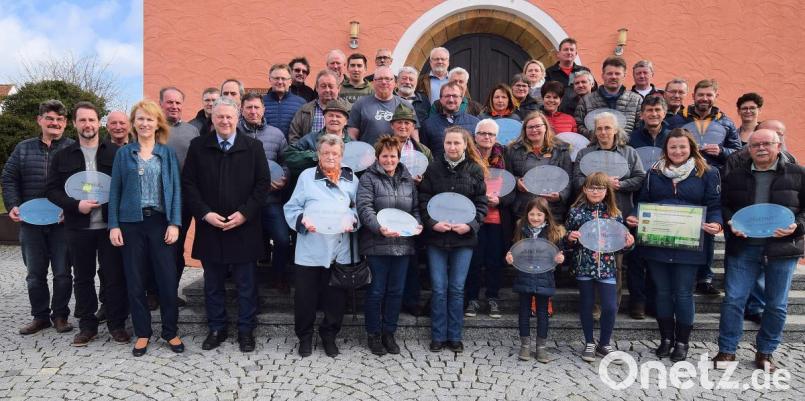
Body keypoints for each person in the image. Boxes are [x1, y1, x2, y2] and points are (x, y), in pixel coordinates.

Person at [626, 128, 723, 361]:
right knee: (662, 292)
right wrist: (634, 216)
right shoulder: (654, 173)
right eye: (673, 147)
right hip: (657, 242)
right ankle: (666, 338)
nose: (677, 151)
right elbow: (643, 202)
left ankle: (682, 342)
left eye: (682, 146)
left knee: (682, 293)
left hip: (689, 244)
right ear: (666, 149)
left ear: (690, 148)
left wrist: (716, 224)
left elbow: (715, 205)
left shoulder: (707, 172)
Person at [713, 128, 805, 373]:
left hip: (782, 249)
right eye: (755, 145)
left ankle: (765, 352)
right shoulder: (735, 175)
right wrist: (732, 224)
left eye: (767, 143)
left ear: (778, 146)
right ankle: (727, 349)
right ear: (748, 149)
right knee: (733, 299)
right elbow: (724, 206)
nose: (761, 148)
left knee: (776, 304)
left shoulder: (798, 174)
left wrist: (798, 227)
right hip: (744, 247)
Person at [183, 98, 270, 353]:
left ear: (237, 117)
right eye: (220, 117)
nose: (224, 121)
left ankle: (246, 330)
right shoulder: (198, 146)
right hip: (210, 226)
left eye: (229, 117)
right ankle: (217, 328)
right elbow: (189, 184)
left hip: (244, 227)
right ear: (212, 118)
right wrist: (204, 214)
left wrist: (244, 214)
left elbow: (262, 184)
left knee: (246, 284)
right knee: (213, 284)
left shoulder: (253, 147)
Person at [46, 101, 129, 346]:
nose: (88, 124)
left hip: (109, 227)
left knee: (114, 276)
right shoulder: (63, 156)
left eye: (92, 120)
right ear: (74, 124)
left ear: (98, 122)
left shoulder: (115, 154)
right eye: (82, 120)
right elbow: (51, 189)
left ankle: (116, 325)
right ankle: (87, 326)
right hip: (77, 227)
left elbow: (125, 188)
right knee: (82, 277)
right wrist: (74, 205)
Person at [108, 99, 183, 357]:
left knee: (166, 278)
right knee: (135, 279)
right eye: (140, 118)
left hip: (160, 222)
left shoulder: (167, 153)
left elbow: (175, 191)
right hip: (131, 223)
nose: (145, 123)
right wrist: (113, 225)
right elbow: (115, 190)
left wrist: (175, 222)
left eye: (150, 119)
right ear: (133, 123)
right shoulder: (123, 154)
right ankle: (142, 333)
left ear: (157, 123)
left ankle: (170, 331)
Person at [2, 99, 75, 335]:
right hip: (30, 223)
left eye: (59, 119)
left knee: (63, 273)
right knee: (35, 274)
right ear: (40, 120)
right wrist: (13, 204)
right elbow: (9, 177)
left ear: (65, 123)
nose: (55, 123)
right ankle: (40, 316)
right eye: (50, 118)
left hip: (62, 223)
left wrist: (71, 207)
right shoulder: (23, 148)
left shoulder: (73, 148)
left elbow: (82, 183)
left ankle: (61, 316)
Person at [284, 134, 359, 358]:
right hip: (311, 245)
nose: (330, 157)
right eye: (326, 153)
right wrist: (301, 221)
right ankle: (305, 337)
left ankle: (329, 335)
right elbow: (292, 207)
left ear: (342, 155)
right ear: (318, 154)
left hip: (340, 246)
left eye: (335, 154)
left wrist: (353, 220)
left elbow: (359, 208)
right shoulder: (307, 177)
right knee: (305, 297)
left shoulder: (351, 178)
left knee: (335, 297)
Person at [419, 126, 488, 353]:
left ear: (465, 145)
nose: (452, 147)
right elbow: (423, 200)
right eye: (449, 143)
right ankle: (438, 336)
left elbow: (481, 204)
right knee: (439, 288)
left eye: (457, 143)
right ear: (444, 144)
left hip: (463, 239)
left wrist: (470, 226)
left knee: (457, 288)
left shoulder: (475, 170)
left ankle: (454, 336)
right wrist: (432, 223)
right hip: (437, 237)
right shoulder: (433, 169)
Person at [671, 79, 742, 295]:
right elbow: (668, 145)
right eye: (701, 95)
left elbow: (738, 152)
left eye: (709, 95)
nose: (704, 99)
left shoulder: (727, 122)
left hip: (711, 179)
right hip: (682, 178)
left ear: (715, 96)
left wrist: (721, 151)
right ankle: (680, 273)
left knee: (708, 230)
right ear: (693, 96)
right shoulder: (678, 119)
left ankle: (705, 277)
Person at [573, 112, 646, 312]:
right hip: (590, 214)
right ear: (594, 132)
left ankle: (611, 306)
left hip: (618, 212)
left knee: (616, 261)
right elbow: (577, 180)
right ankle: (593, 306)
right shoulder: (584, 154)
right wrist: (598, 185)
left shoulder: (629, 152)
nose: (603, 132)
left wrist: (620, 185)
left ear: (615, 130)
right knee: (590, 256)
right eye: (599, 128)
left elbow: (640, 177)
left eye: (607, 128)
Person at [357, 135, 422, 355]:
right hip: (377, 243)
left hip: (403, 244)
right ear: (378, 157)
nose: (389, 160)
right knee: (376, 291)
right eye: (384, 156)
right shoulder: (368, 178)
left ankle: (389, 333)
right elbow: (364, 208)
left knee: (396, 291)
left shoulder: (408, 180)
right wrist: (378, 227)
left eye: (392, 156)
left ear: (398, 156)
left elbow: (414, 210)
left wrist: (418, 225)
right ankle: (374, 334)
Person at [565, 172, 634, 363]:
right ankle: (589, 342)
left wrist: (629, 243)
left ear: (607, 191)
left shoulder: (614, 214)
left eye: (600, 188)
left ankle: (604, 344)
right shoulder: (575, 212)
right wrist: (569, 238)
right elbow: (566, 240)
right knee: (587, 305)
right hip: (584, 265)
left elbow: (621, 244)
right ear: (585, 189)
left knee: (610, 306)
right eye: (592, 187)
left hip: (607, 266)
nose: (595, 191)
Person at [238, 93, 291, 289]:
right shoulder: (234, 132)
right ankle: (247, 283)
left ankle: (278, 276)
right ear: (241, 110)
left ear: (263, 109)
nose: (253, 111)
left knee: (282, 239)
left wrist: (283, 178)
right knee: (247, 244)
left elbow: (286, 161)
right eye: (249, 108)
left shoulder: (276, 134)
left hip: (271, 198)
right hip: (243, 201)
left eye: (256, 107)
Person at [465, 119, 515, 319]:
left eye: (491, 134)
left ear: (496, 138)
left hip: (497, 220)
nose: (487, 137)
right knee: (474, 262)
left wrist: (500, 200)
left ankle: (493, 298)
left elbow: (512, 190)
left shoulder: (505, 158)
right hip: (475, 219)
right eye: (483, 134)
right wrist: (479, 198)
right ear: (475, 136)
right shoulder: (467, 158)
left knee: (495, 262)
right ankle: (472, 299)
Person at [507, 197, 565, 363]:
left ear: (546, 216)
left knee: (542, 313)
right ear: (527, 215)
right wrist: (510, 257)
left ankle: (541, 347)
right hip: (524, 275)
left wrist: (560, 258)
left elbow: (559, 253)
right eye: (532, 214)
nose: (535, 218)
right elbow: (514, 249)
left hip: (544, 277)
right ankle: (525, 345)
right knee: (524, 311)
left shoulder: (554, 232)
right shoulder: (521, 229)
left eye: (539, 214)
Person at [506, 112, 573, 222]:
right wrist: (517, 182)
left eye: (538, 126)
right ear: (525, 130)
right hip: (523, 208)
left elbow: (569, 178)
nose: (534, 130)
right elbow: (507, 176)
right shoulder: (513, 150)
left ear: (545, 127)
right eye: (530, 127)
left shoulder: (561, 150)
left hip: (551, 209)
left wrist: (560, 195)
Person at [575, 56, 643, 138]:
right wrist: (596, 136)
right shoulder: (586, 100)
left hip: (626, 148)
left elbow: (641, 126)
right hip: (596, 148)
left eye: (617, 74)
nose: (613, 77)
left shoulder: (636, 100)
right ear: (603, 75)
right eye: (609, 73)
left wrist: (625, 139)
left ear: (624, 75)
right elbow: (579, 125)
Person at [348, 66, 417, 145]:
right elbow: (352, 135)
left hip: (397, 156)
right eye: (380, 79)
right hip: (367, 155)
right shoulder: (360, 104)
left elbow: (414, 137)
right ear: (373, 82)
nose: (384, 82)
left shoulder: (406, 105)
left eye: (388, 79)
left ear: (395, 83)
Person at [285, 99, 352, 177]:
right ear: (324, 118)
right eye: (330, 115)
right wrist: (316, 156)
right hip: (313, 183)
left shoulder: (352, 144)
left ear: (346, 121)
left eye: (338, 116)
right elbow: (289, 156)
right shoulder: (310, 138)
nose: (334, 119)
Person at [420, 82, 480, 160]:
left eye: (455, 96)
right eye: (447, 96)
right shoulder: (428, 124)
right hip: (438, 171)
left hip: (467, 171)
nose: (451, 100)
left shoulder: (475, 123)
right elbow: (424, 154)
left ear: (461, 99)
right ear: (441, 100)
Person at [288, 69, 342, 144]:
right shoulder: (304, 111)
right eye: (323, 86)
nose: (327, 90)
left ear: (338, 88)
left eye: (331, 86)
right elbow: (294, 138)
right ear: (317, 88)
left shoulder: (348, 110)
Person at [262, 64, 306, 138]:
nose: (280, 82)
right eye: (276, 78)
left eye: (283, 78)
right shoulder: (261, 102)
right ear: (270, 80)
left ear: (290, 81)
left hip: (292, 148)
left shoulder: (301, 103)